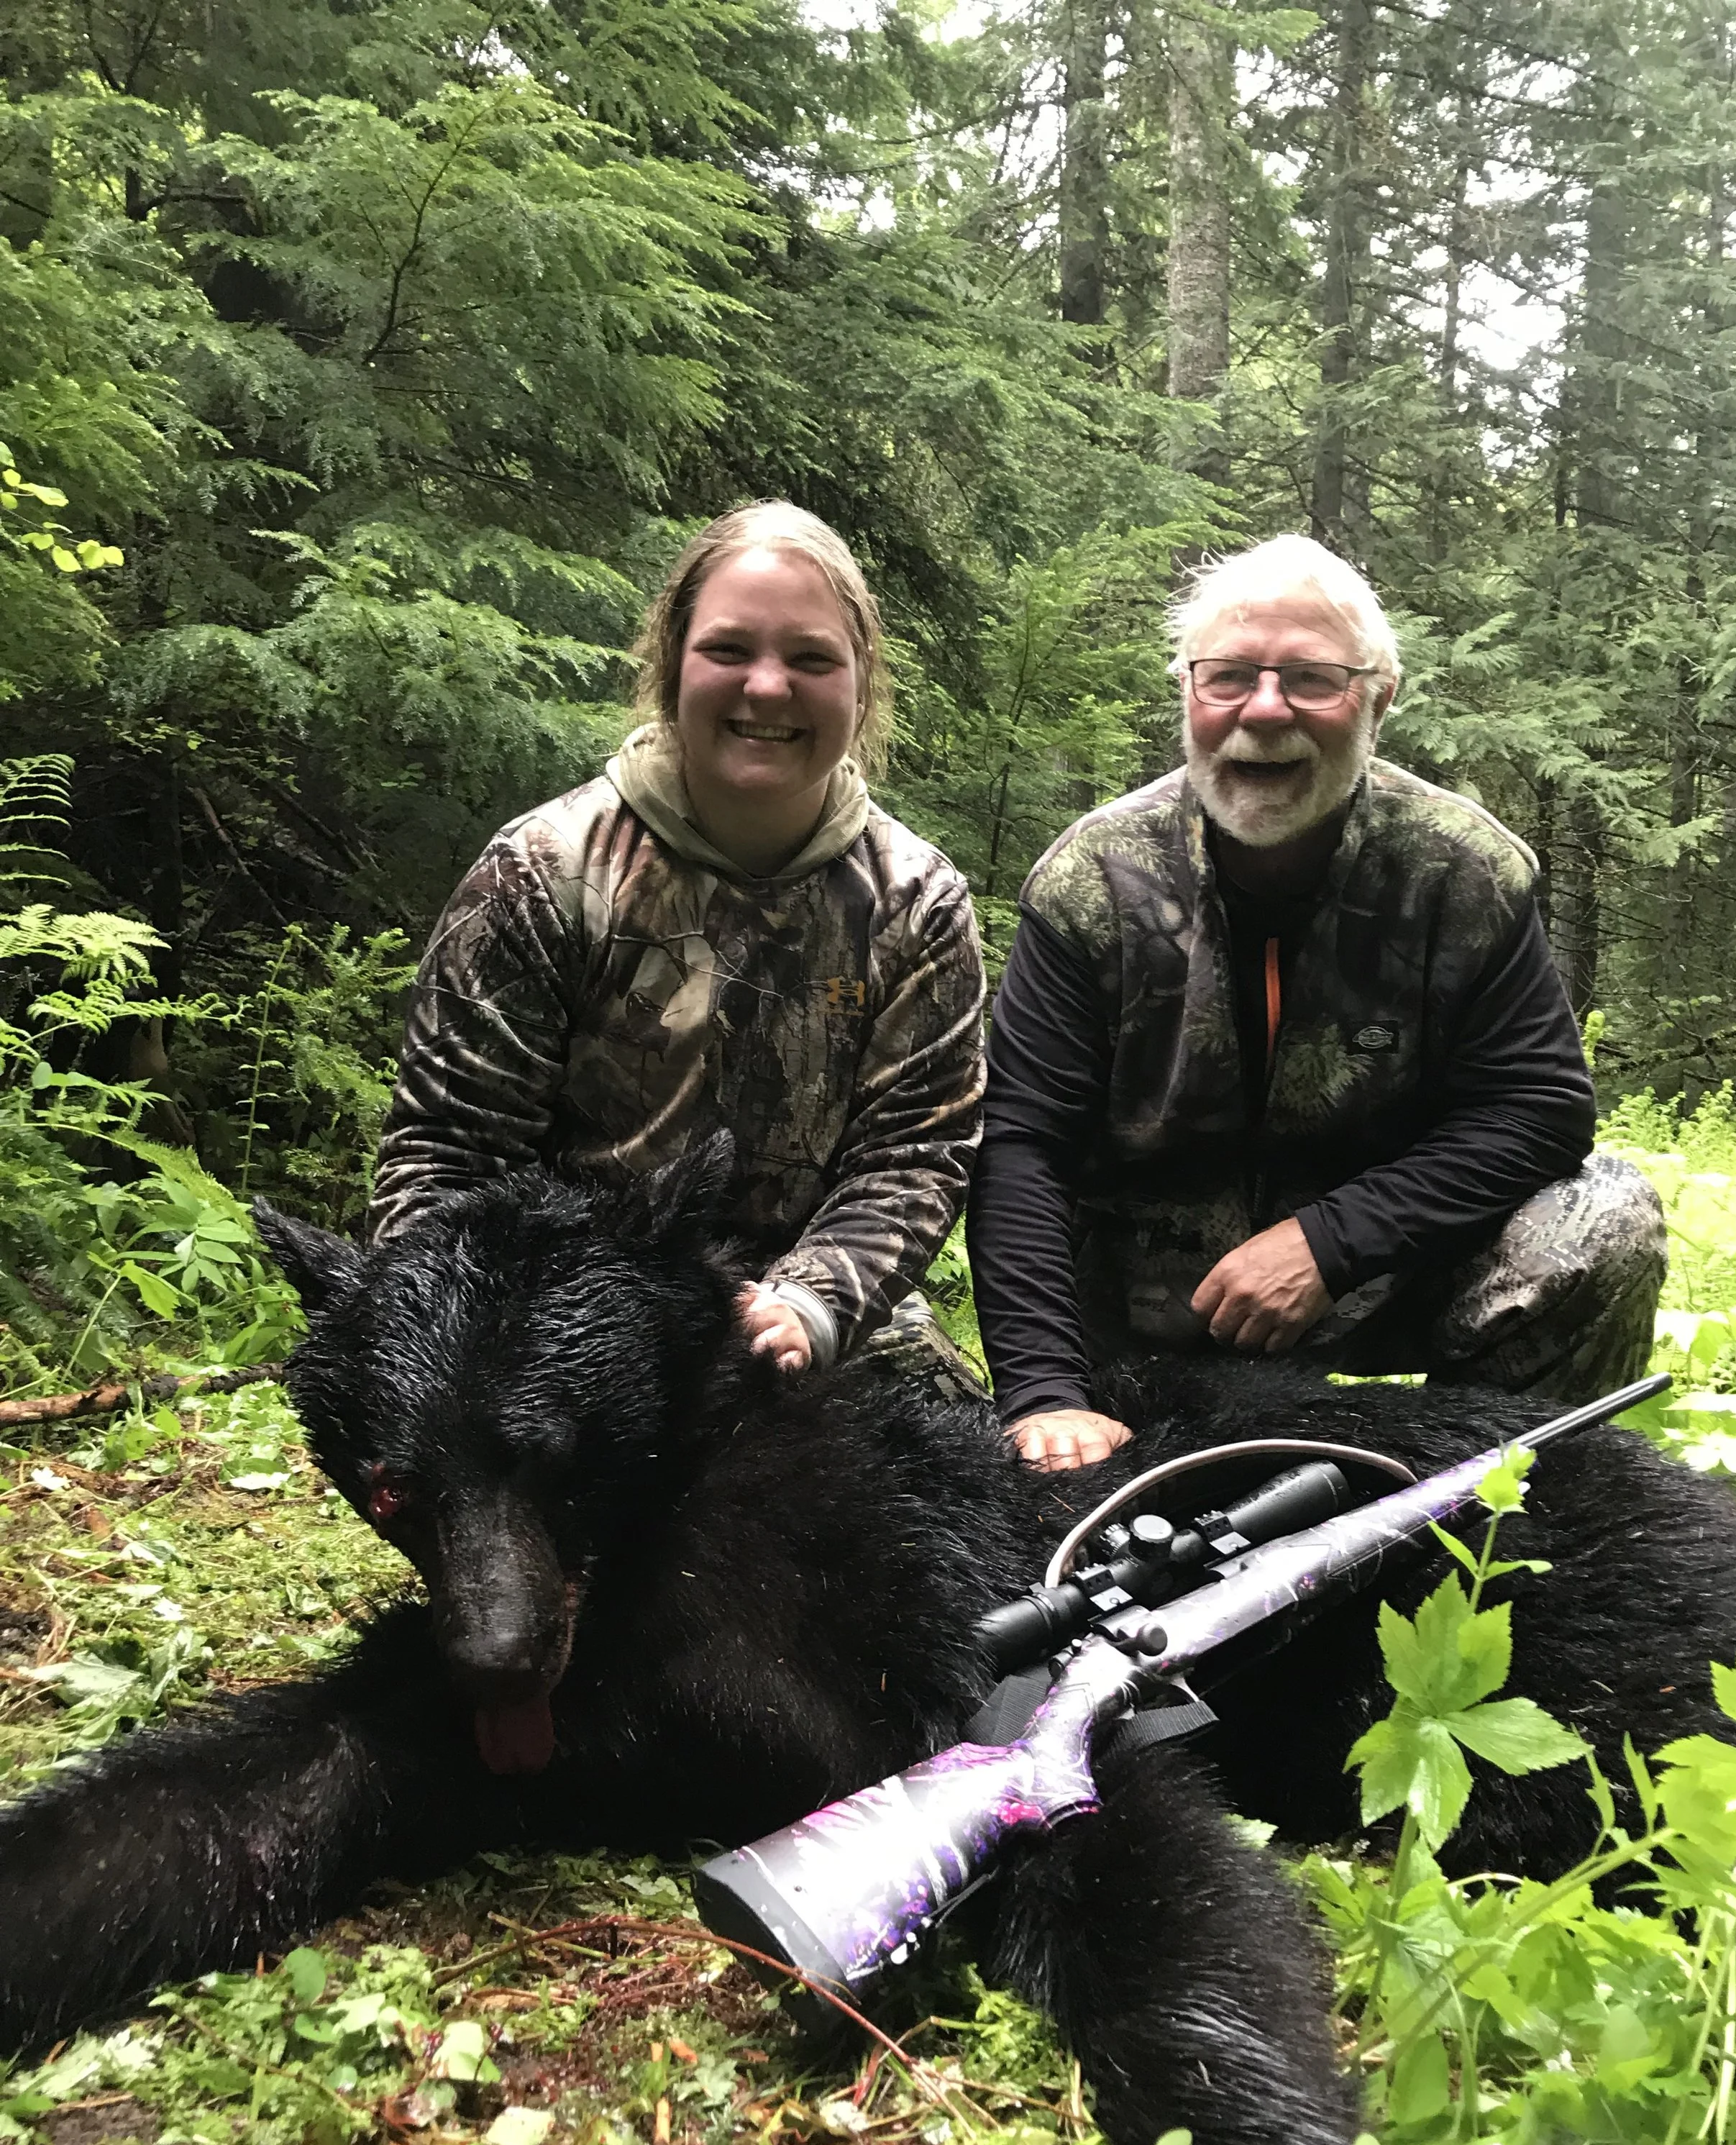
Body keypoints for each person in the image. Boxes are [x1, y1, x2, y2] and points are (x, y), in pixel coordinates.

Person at [969, 534, 1666, 1470]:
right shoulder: (1094, 883)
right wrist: (1044, 1392)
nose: (1265, 709)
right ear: (1188, 693)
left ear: (1379, 698)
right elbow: (1022, 1143)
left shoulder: (1462, 873)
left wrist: (1329, 1245)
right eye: (1229, 676)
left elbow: (1538, 1109)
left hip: (1377, 1288)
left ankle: (1507, 1509)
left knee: (1608, 1219)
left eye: (1311, 678)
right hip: (1143, 1308)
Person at [371, 502, 986, 1376]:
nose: (767, 687)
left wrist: (808, 1306)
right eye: (729, 650)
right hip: (552, 1324)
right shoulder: (545, 872)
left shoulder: (916, 904)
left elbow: (913, 1157)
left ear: (861, 682)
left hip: (808, 1325)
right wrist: (501, 1331)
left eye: (811, 658)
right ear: (671, 664)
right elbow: (447, 1152)